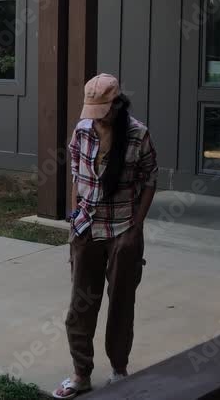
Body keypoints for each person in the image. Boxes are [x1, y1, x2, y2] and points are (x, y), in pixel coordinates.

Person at [53, 73, 158, 399]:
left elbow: (150, 179)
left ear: (117, 105)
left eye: (103, 110)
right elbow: (76, 174)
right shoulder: (82, 130)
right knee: (80, 305)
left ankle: (119, 370)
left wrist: (136, 227)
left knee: (121, 305)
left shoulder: (138, 134)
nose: (97, 117)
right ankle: (81, 373)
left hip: (123, 230)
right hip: (86, 228)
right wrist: (75, 218)